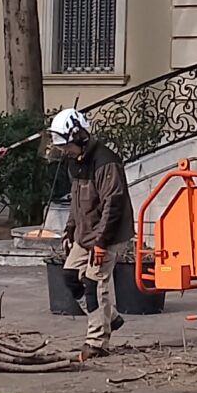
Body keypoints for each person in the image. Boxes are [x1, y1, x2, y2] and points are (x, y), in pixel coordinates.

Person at [49, 107, 132, 360]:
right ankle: (110, 317)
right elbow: (77, 202)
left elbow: (113, 205)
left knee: (94, 285)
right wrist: (69, 230)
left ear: (80, 136)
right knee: (70, 276)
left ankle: (97, 342)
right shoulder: (76, 163)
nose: (64, 151)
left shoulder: (106, 161)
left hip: (108, 235)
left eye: (66, 146)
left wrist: (101, 243)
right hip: (85, 234)